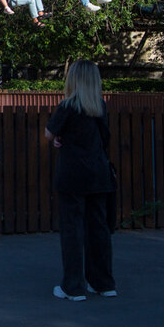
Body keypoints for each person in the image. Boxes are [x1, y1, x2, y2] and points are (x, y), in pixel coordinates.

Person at [45, 60, 117, 301]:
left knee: (72, 228)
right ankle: (103, 282)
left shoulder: (68, 106)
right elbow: (104, 139)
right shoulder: (100, 107)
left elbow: (49, 133)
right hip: (97, 172)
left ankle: (73, 286)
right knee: (99, 227)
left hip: (72, 173)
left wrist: (59, 139)